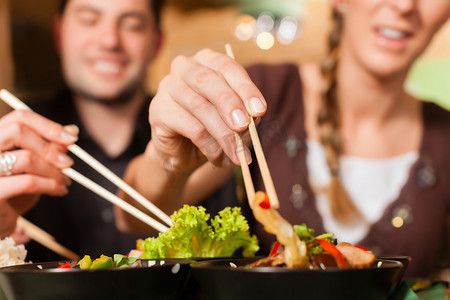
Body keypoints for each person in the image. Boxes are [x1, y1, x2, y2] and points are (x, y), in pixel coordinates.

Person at [116, 0, 450, 277]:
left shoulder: (444, 135)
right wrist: (168, 161)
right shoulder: (261, 96)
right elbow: (132, 216)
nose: (405, 5)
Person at [0, 0, 165, 261]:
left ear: (157, 42)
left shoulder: (188, 139)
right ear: (59, 33)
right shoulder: (14, 138)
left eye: (132, 25)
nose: (110, 40)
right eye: (89, 20)